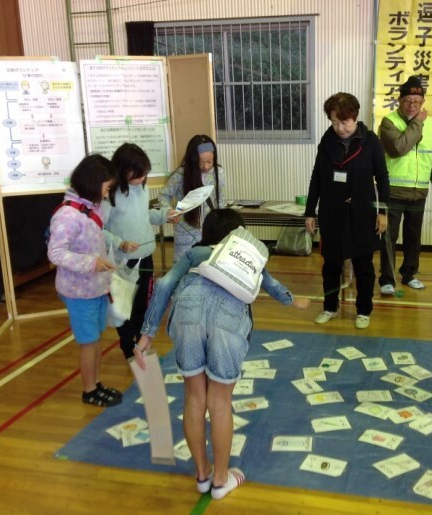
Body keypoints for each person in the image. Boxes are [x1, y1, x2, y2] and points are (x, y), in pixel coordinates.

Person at [134, 209, 309, 500]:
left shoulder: (195, 253)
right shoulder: (248, 255)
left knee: (194, 399)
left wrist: (146, 336)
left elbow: (164, 285)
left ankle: (202, 474)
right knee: (219, 403)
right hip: (227, 319)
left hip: (188, 311)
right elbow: (270, 284)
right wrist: (292, 300)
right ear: (239, 235)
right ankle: (220, 480)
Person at [304, 92, 390, 330]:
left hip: (363, 213)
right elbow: (317, 177)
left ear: (355, 117)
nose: (339, 127)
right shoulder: (327, 141)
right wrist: (310, 211)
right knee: (331, 265)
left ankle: (364, 310)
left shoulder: (371, 141)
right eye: (334, 122)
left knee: (363, 266)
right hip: (332, 213)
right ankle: (330, 307)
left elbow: (382, 178)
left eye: (344, 122)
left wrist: (382, 212)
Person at [47, 154, 122, 407]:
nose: (107, 191)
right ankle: (89, 390)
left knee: (95, 340)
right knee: (88, 343)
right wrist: (91, 263)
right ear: (94, 181)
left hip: (96, 287)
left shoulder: (91, 207)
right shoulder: (68, 215)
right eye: (107, 186)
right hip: (79, 291)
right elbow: (56, 253)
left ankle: (97, 383)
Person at [102, 143, 178, 359]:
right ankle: (128, 348)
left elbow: (144, 216)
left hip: (145, 257)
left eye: (144, 174)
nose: (142, 178)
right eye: (138, 174)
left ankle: (139, 345)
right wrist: (120, 243)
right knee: (124, 307)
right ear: (123, 170)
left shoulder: (142, 189)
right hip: (125, 262)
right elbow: (99, 230)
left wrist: (165, 215)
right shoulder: (111, 195)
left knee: (144, 306)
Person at [377, 75, 432, 293]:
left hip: (419, 193)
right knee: (388, 238)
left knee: (413, 238)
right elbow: (399, 148)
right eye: (408, 101)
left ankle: (409, 274)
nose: (412, 105)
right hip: (393, 191)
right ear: (399, 100)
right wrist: (418, 122)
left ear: (423, 103)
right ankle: (387, 280)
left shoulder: (431, 126)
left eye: (417, 102)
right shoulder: (389, 122)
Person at [159, 134, 227, 261]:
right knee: (183, 268)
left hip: (210, 231)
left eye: (209, 162)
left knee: (207, 268)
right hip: (186, 231)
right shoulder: (181, 174)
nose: (206, 167)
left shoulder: (218, 173)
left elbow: (221, 201)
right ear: (192, 160)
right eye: (200, 163)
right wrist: (168, 211)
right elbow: (164, 195)